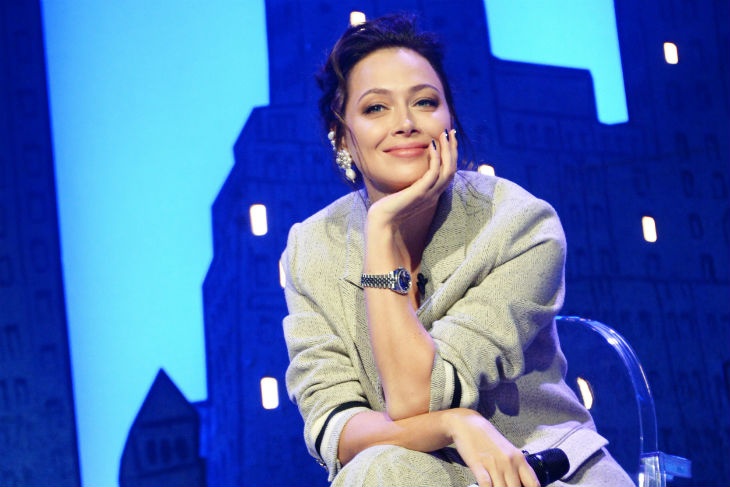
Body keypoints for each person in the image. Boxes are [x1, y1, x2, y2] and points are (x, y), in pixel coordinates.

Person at [280, 13, 634, 487]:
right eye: (376, 108)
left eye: (425, 102)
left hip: (540, 468)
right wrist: (455, 424)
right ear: (342, 135)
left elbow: (417, 395)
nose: (405, 124)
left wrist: (381, 227)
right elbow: (334, 426)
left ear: (449, 119)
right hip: (403, 471)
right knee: (380, 469)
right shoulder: (311, 247)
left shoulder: (519, 223)